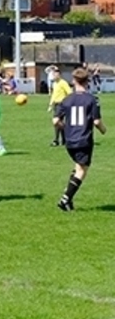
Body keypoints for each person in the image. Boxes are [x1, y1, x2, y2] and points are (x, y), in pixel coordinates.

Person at [53, 67, 107, 212]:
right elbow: (96, 122)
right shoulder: (92, 99)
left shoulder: (66, 99)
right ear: (87, 81)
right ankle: (65, 199)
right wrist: (103, 130)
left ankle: (69, 200)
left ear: (73, 81)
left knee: (78, 167)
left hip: (69, 141)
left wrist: (66, 127)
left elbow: (55, 121)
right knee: (82, 171)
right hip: (84, 139)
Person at [49, 69, 72, 147]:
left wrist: (66, 102)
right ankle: (64, 140)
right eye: (54, 75)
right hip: (56, 104)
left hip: (61, 104)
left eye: (56, 75)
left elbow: (70, 93)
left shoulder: (63, 83)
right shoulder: (54, 84)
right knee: (58, 123)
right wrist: (50, 104)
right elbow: (54, 94)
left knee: (56, 121)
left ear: (59, 75)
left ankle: (56, 140)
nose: (55, 76)